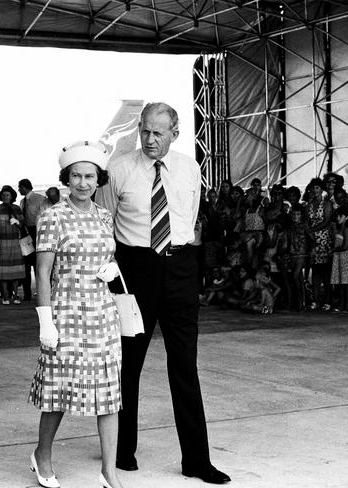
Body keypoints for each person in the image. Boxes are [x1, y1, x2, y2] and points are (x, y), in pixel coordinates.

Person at [96, 102, 230, 484]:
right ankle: (122, 450)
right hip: (134, 270)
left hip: (181, 269)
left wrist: (182, 260)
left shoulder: (191, 167)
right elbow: (107, 230)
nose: (150, 140)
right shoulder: (118, 170)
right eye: (145, 131)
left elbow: (189, 216)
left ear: (175, 132)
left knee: (185, 366)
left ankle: (197, 461)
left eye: (159, 133)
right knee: (129, 366)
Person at [29, 141, 123, 488]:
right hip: (66, 312)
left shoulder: (103, 215)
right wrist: (45, 322)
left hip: (102, 313)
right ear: (66, 178)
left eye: (90, 176)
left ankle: (109, 471)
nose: (83, 183)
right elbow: (42, 272)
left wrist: (109, 269)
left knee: (110, 393)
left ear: (99, 179)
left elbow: (107, 253)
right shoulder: (51, 216)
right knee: (58, 391)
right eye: (76, 176)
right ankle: (43, 455)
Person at [0, 185, 25, 304]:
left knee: (16, 270)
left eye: (8, 195)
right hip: (2, 242)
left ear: (12, 197)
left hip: (15, 242)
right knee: (3, 270)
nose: (5, 197)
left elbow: (22, 224)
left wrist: (17, 222)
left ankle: (15, 296)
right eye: (4, 195)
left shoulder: (16, 209)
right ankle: (5, 297)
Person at [304, 177, 333, 311]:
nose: (314, 190)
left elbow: (327, 221)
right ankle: (315, 300)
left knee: (325, 272)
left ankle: (327, 301)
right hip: (312, 240)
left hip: (324, 239)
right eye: (312, 188)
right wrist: (310, 234)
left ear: (321, 189)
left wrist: (313, 230)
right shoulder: (308, 205)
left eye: (317, 188)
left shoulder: (327, 203)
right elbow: (306, 222)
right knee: (315, 271)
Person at [19, 178, 48, 301]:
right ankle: (27, 293)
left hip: (36, 231)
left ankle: (40, 292)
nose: (19, 190)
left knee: (38, 264)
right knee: (25, 263)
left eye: (20, 187)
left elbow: (43, 215)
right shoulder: (22, 201)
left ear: (25, 187)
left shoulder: (39, 199)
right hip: (25, 233)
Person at [330, 207, 348, 313]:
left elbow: (345, 246)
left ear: (346, 217)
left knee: (347, 283)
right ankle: (342, 305)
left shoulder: (346, 228)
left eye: (340, 216)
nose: (337, 218)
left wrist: (334, 249)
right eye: (337, 216)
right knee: (341, 283)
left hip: (346, 258)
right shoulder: (339, 228)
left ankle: (347, 306)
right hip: (339, 257)